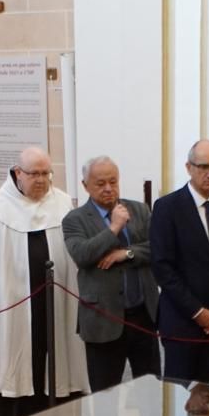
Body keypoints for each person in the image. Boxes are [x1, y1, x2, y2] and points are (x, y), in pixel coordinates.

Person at [0, 146, 89, 416]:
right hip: (11, 306)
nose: (42, 180)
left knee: (56, 360)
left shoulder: (62, 204)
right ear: (18, 173)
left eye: (46, 173)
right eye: (35, 174)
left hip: (56, 300)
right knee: (15, 360)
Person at [150, 139, 209, 384]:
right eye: (203, 167)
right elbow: (162, 267)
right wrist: (197, 311)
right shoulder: (167, 207)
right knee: (177, 402)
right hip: (181, 322)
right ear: (188, 167)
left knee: (207, 398)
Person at [62, 155, 160, 392]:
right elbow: (83, 255)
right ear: (85, 185)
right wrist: (114, 227)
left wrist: (125, 253)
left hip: (143, 316)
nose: (108, 188)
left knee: (150, 392)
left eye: (113, 182)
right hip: (103, 319)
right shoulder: (74, 219)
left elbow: (158, 248)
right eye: (100, 183)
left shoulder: (139, 209)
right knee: (105, 396)